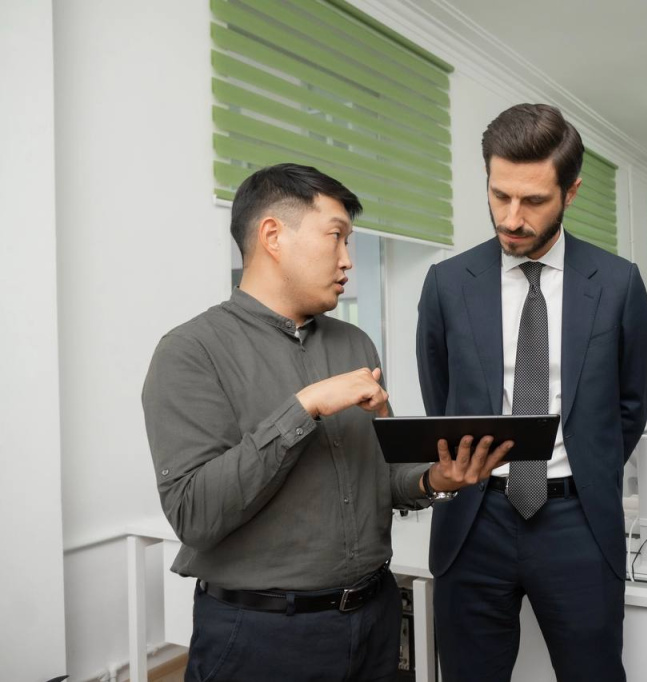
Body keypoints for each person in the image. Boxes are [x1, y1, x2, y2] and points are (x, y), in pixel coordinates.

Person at [142, 163, 510, 682]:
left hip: (374, 621)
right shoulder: (190, 352)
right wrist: (304, 407)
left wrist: (434, 480)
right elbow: (196, 515)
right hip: (260, 638)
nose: (347, 261)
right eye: (336, 237)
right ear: (273, 235)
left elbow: (380, 475)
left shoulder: (353, 344)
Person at [415, 103, 647, 682]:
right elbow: (439, 393)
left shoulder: (618, 284)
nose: (512, 217)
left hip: (576, 520)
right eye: (500, 196)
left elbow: (629, 406)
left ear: (570, 193)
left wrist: (586, 473)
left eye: (534, 200)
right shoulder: (447, 283)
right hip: (473, 520)